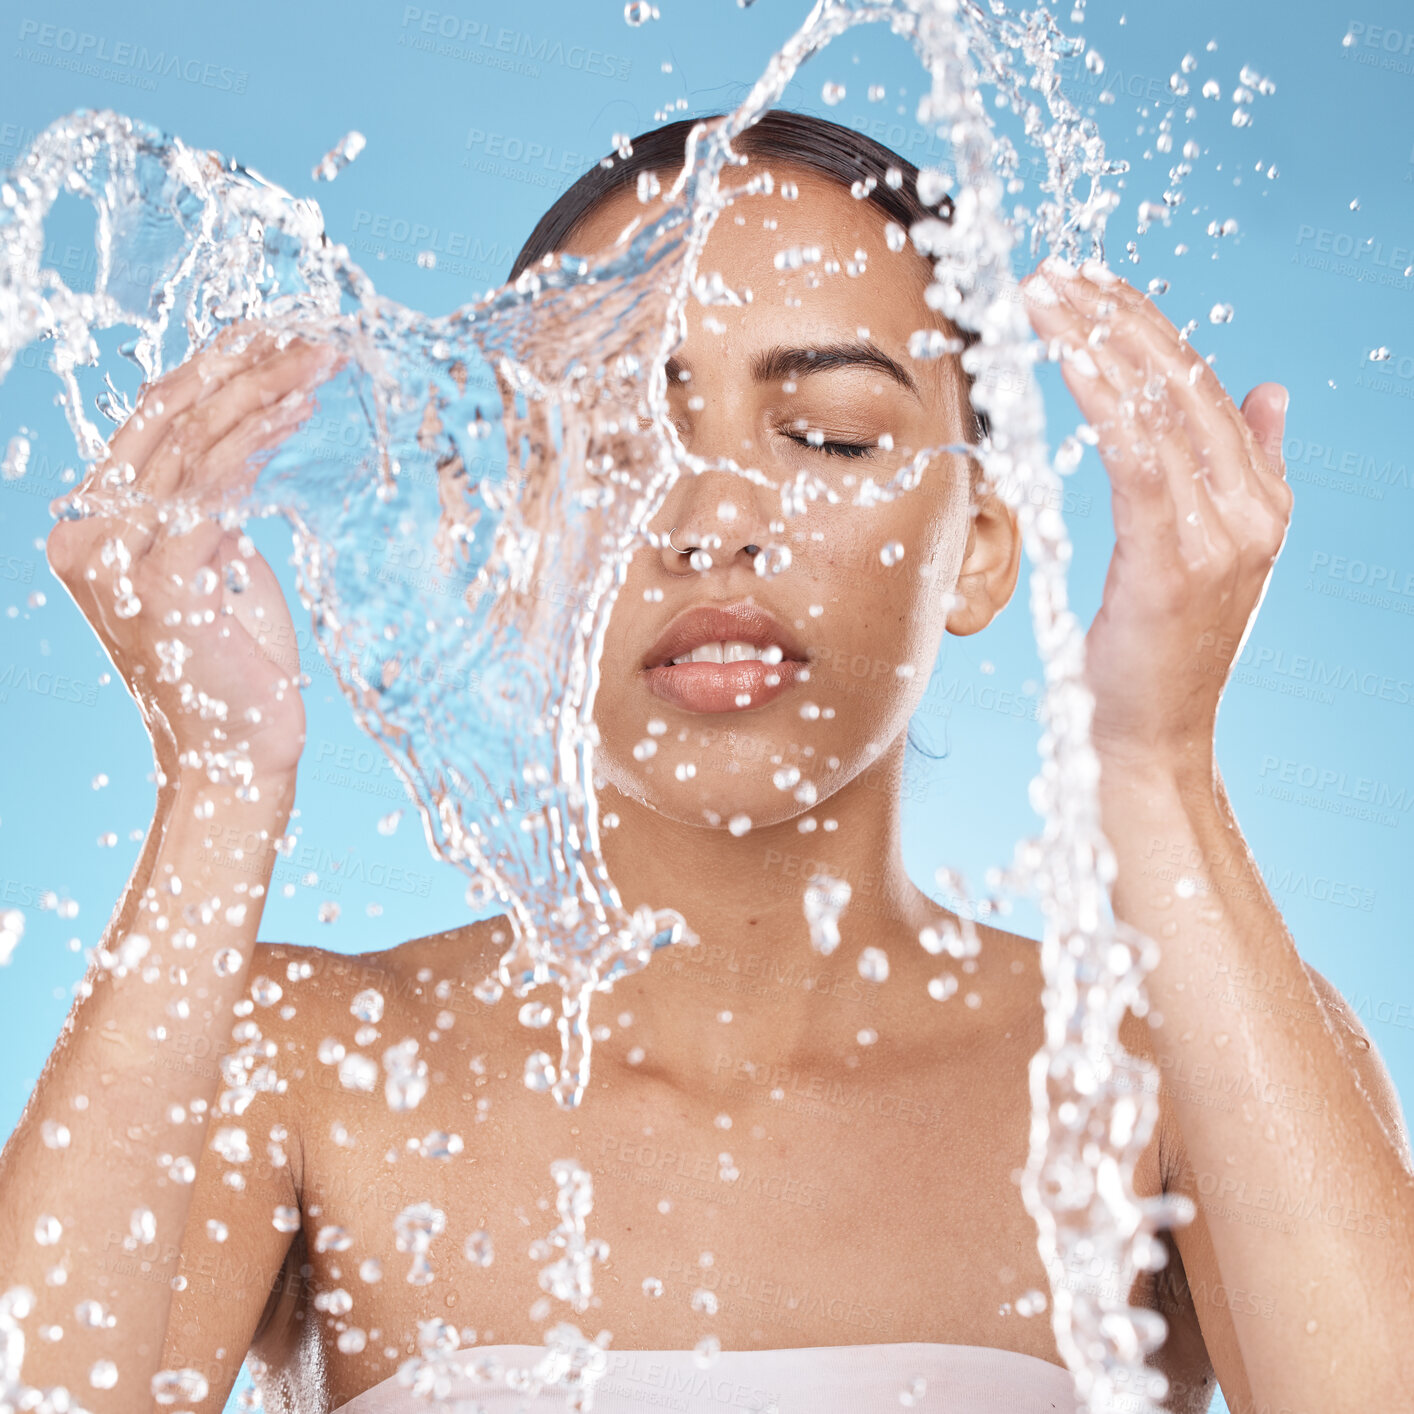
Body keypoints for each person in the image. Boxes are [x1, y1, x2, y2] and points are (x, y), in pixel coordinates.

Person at [1, 109, 1410, 1414]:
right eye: (613, 435)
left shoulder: (1159, 1062)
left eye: (828, 434)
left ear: (979, 543)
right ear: (500, 531)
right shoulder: (286, 1057)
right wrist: (218, 777)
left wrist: (1155, 765)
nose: (712, 515)